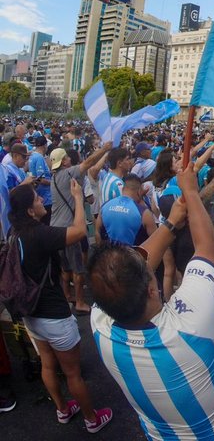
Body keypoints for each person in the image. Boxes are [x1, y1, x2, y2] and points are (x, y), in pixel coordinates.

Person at [89, 162, 214, 440]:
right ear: (152, 290)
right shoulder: (188, 328)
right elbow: (207, 248)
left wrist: (172, 222)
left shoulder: (100, 321)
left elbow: (129, 269)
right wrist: (190, 190)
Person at [7, 181, 113, 432]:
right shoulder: (39, 234)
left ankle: (63, 410)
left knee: (47, 364)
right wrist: (77, 197)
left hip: (31, 313)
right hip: (54, 314)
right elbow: (77, 231)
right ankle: (91, 419)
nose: (41, 200)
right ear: (30, 211)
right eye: (36, 199)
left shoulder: (15, 232)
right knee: (72, 372)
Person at [48, 145, 107, 314]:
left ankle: (68, 295)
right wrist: (105, 149)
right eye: (66, 157)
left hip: (55, 227)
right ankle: (80, 302)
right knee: (78, 269)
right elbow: (89, 163)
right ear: (64, 161)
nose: (69, 159)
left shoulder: (54, 178)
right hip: (69, 230)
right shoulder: (68, 173)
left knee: (65, 267)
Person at [94, 173, 158, 246]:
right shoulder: (143, 213)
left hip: (109, 255)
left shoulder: (105, 206)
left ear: (123, 189)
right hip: (133, 256)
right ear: (139, 191)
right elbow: (156, 241)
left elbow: (97, 233)